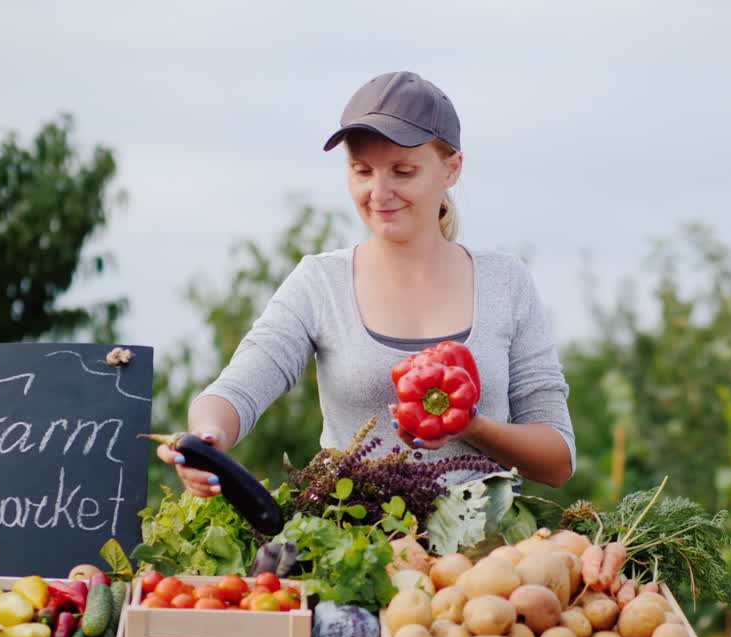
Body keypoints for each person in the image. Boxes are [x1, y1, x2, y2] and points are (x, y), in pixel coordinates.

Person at [159, 70, 575, 497]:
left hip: (481, 557)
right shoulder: (320, 283)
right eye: (362, 171)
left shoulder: (504, 282)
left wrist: (468, 426)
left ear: (452, 169)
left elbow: (558, 460)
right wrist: (206, 439)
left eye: (403, 171)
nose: (379, 192)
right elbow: (239, 388)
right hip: (354, 551)